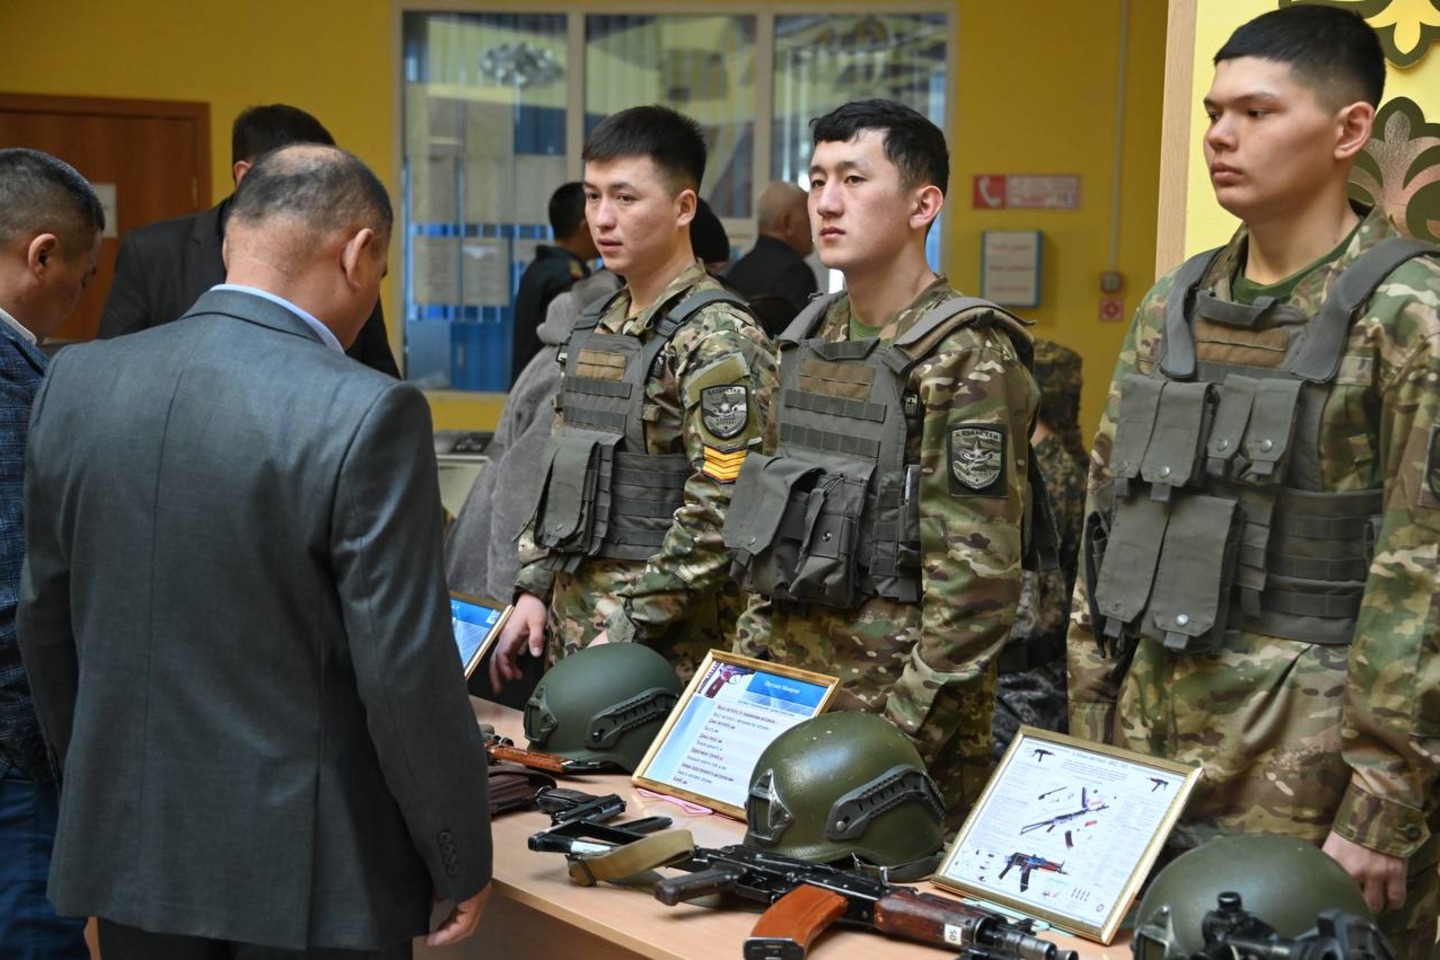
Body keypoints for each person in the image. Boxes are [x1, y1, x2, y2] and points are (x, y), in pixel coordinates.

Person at [18, 145, 492, 958]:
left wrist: (98, 785)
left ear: (236, 241)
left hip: (131, 847)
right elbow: (403, 670)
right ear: (359, 252)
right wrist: (455, 848)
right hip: (311, 872)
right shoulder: (367, 410)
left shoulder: (77, 381)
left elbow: (46, 625)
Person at [1065, 8, 1440, 959]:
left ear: (1349, 132)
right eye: (1212, 111)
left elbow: (1424, 576)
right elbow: (1107, 528)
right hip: (1148, 748)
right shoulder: (1176, 301)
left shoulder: (1410, 315)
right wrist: (1086, 734)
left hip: (1312, 772)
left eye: (1258, 112)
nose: (1221, 136)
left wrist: (1385, 805)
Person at [725, 99, 1046, 827]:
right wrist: (742, 696)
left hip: (899, 747)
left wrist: (887, 745)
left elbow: (975, 597)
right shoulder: (805, 339)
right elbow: (764, 541)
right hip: (789, 715)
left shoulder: (965, 357)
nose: (827, 202)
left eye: (853, 179)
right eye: (815, 180)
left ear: (922, 204)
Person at [490, 104, 778, 687]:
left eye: (625, 198)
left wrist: (628, 625)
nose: (602, 217)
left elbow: (725, 508)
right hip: (577, 629)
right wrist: (535, 585)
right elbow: (563, 466)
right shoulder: (597, 325)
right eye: (593, 197)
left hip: (665, 648)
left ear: (683, 208)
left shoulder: (719, 336)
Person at [0, 147, 102, 960]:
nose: (80, 295)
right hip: (15, 753)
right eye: (84, 272)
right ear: (43, 255)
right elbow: (17, 600)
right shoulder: (15, 389)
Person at [98, 103, 400, 377]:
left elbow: (377, 375)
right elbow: (115, 367)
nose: (319, 194)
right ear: (246, 176)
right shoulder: (154, 252)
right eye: (302, 180)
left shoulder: (344, 256)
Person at [445, 268, 620, 603]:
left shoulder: (563, 348)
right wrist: (508, 599)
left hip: (486, 556)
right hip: (496, 572)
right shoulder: (572, 368)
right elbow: (519, 489)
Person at [992, 340, 1086, 758]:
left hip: (1022, 683)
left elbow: (1022, 610)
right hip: (1052, 675)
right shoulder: (1069, 466)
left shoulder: (1035, 476)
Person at [510, 182, 598, 386]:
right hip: (545, 389)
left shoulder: (540, 267)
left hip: (527, 385)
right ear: (586, 228)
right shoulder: (567, 278)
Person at [724, 180, 817, 314]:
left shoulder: (738, 269)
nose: (814, 228)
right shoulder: (796, 274)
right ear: (787, 223)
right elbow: (804, 333)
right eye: (809, 219)